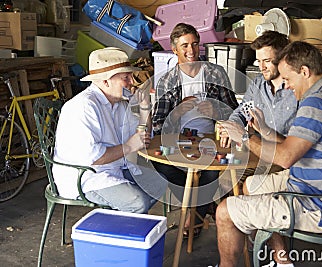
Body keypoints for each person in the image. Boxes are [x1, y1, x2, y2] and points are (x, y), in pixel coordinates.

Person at [215, 41, 322, 267]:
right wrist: (265, 130)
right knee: (251, 186)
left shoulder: (317, 103)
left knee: (224, 211)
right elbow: (293, 145)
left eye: (287, 79)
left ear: (304, 71)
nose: (286, 86)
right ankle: (281, 259)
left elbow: (286, 158)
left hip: (321, 207)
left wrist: (245, 138)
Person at [52, 47, 167, 213]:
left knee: (159, 184)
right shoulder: (84, 107)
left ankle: (123, 223)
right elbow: (94, 158)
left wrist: (144, 108)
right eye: (125, 78)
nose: (131, 83)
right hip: (86, 175)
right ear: (105, 81)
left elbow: (142, 137)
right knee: (137, 202)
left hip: (114, 167)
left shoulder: (119, 104)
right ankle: (120, 231)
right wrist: (128, 146)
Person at [151, 23, 239, 237]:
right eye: (184, 46)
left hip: (214, 139)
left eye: (195, 44)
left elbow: (236, 113)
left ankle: (193, 216)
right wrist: (178, 112)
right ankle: (200, 207)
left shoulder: (215, 73)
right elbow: (157, 125)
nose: (191, 51)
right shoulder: (168, 80)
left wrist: (216, 110)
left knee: (211, 170)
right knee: (159, 164)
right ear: (174, 49)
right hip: (180, 140)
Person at [219, 30, 297, 149]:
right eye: (258, 61)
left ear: (283, 58)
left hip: (287, 155)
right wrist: (232, 126)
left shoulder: (298, 88)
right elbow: (242, 111)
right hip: (260, 152)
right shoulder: (258, 83)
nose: (261, 68)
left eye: (267, 61)